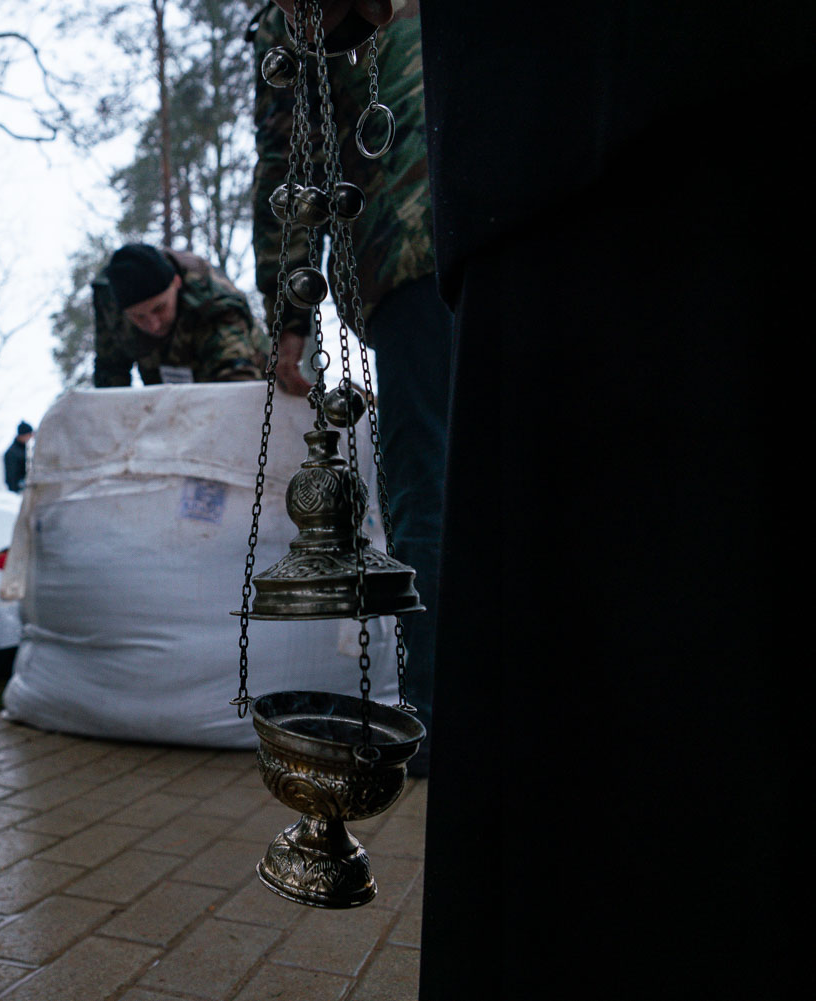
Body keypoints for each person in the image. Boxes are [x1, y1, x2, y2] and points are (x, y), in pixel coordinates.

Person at [277, 1, 796, 997]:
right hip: (570, 153)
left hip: (515, 186)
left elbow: (307, 126)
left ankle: (430, 703)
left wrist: (294, 305)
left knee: (463, 502)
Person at [250, 1, 448, 774]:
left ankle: (436, 711)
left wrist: (291, 314)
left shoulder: (300, 11)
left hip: (413, 233)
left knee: (424, 483)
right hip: (525, 208)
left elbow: (293, 161)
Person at [92, 243, 267, 388]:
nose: (154, 325)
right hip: (163, 384)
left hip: (251, 379)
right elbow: (111, 370)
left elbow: (237, 383)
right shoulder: (109, 302)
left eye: (159, 308)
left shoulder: (214, 300)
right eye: (139, 317)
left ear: (176, 282)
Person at [3, 421, 32, 493]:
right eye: (29, 435)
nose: (30, 437)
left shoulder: (25, 449)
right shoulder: (12, 453)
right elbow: (11, 478)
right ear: (23, 435)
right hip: (18, 491)